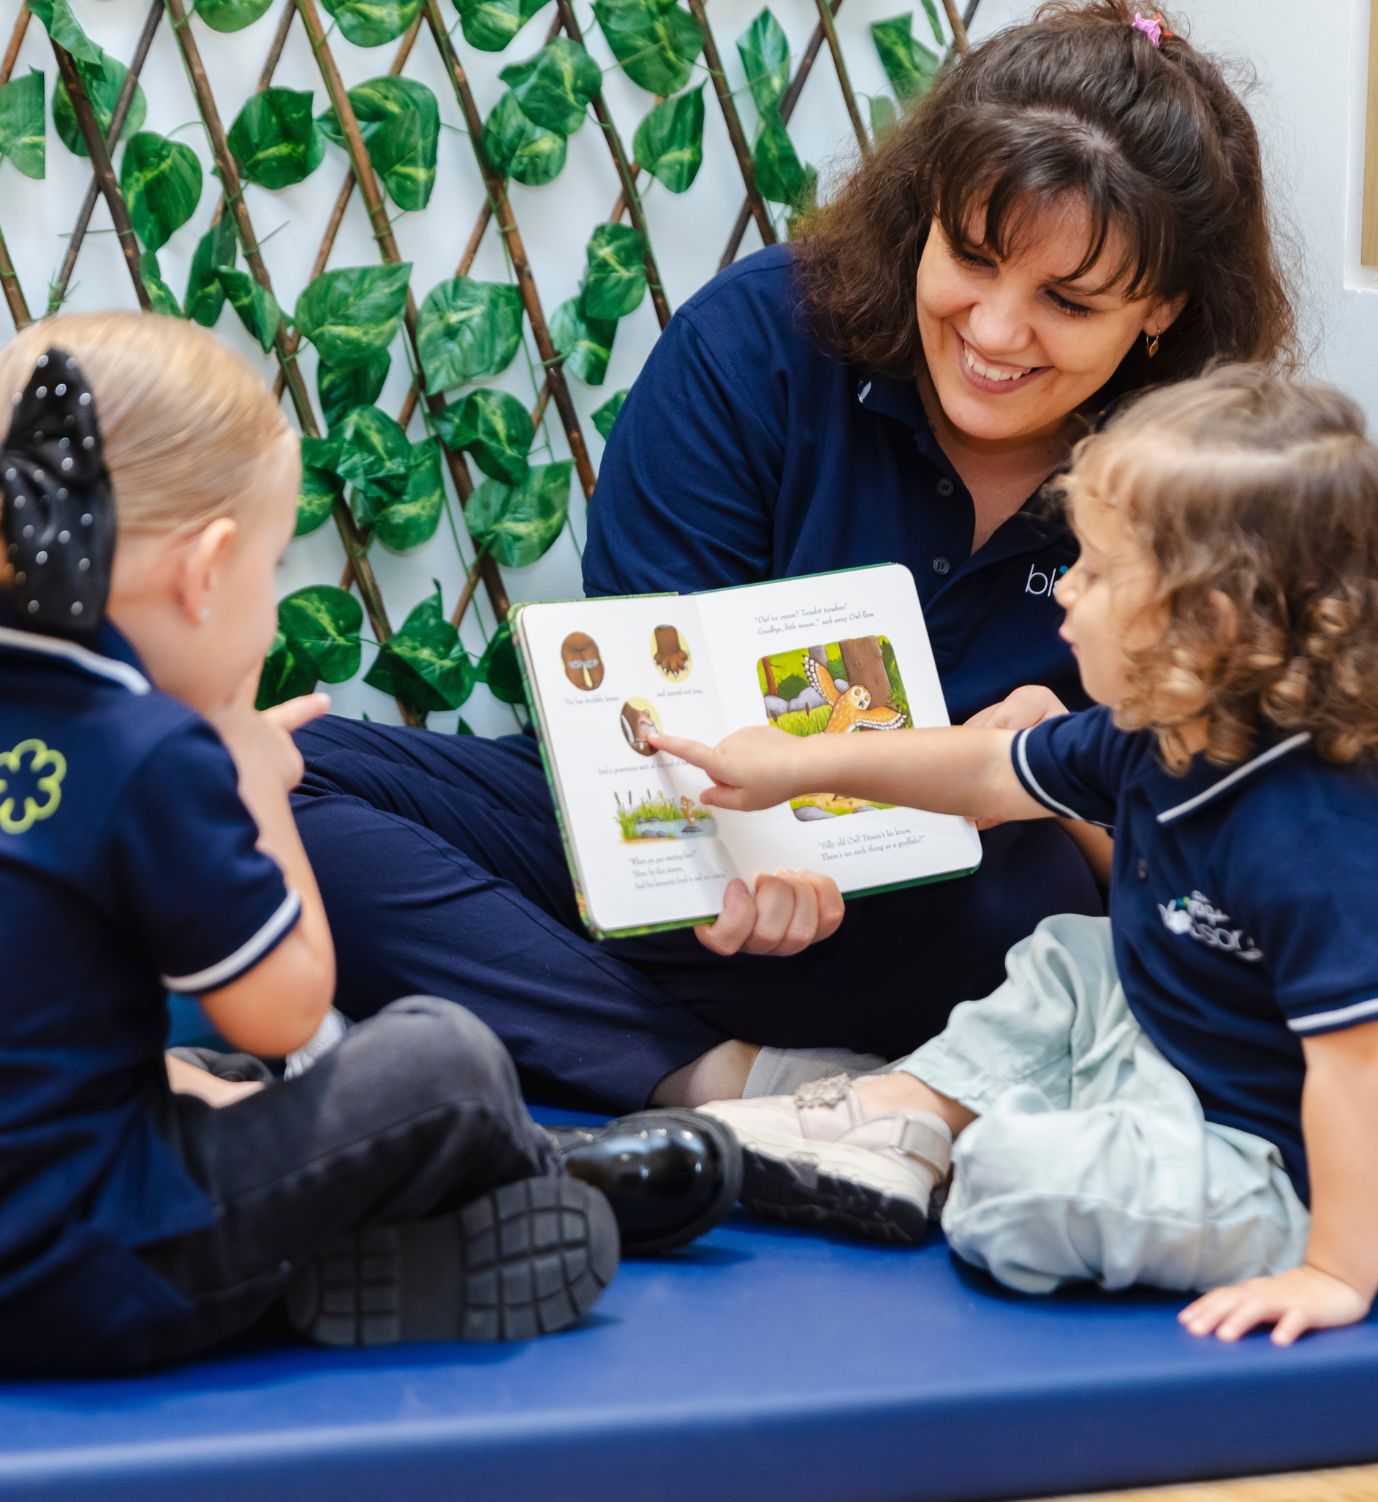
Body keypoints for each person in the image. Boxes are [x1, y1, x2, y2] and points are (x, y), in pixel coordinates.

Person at [289, 0, 1299, 1113]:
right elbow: (635, 696)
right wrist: (752, 839)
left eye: (1064, 300)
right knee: (266, 788)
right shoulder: (755, 341)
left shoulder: (1204, 480)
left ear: (1159, 310)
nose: (997, 332)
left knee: (1047, 895)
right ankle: (725, 1078)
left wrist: (1048, 793)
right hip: (677, 854)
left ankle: (622, 1035)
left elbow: (1222, 851)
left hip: (959, 920)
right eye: (968, 257)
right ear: (923, 213)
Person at [0, 314, 734, 1376]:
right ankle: (495, 1192)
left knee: (212, 1069)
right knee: (441, 1060)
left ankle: (354, 1247)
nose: (269, 616)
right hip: (44, 1285)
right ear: (207, 569)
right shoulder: (149, 752)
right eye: (270, 569)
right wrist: (257, 784)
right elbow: (287, 1005)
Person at [662, 367, 1378, 1345]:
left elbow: (1357, 1068)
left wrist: (1332, 1270)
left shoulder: (1315, 832)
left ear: (1203, 627)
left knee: (1008, 1192)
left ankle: (974, 1153)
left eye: (1095, 571)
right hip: (1191, 1063)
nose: (1062, 585)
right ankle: (899, 1117)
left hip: (1306, 1175)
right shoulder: (1161, 734)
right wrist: (794, 764)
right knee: (1073, 952)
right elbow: (981, 767)